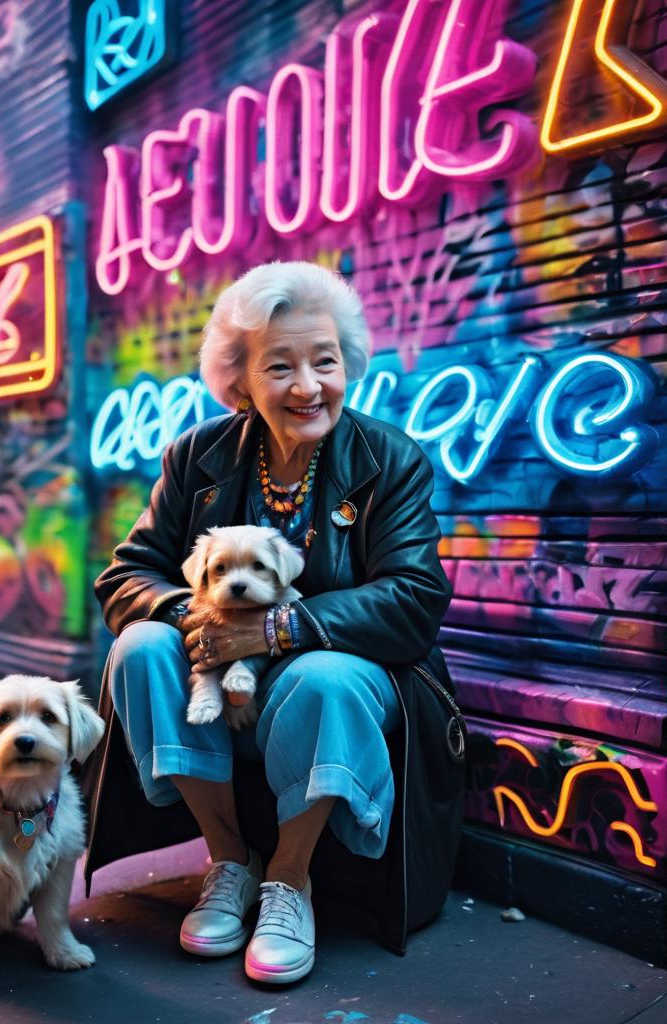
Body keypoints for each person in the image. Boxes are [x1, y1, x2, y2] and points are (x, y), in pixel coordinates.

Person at [84, 261, 465, 985]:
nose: (307, 386)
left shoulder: (388, 460)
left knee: (323, 675)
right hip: (222, 682)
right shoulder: (198, 456)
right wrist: (194, 617)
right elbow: (125, 577)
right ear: (241, 379)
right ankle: (229, 860)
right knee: (140, 648)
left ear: (345, 363)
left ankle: (290, 883)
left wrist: (273, 632)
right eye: (280, 366)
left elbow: (414, 597)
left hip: (346, 684)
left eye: (324, 361)